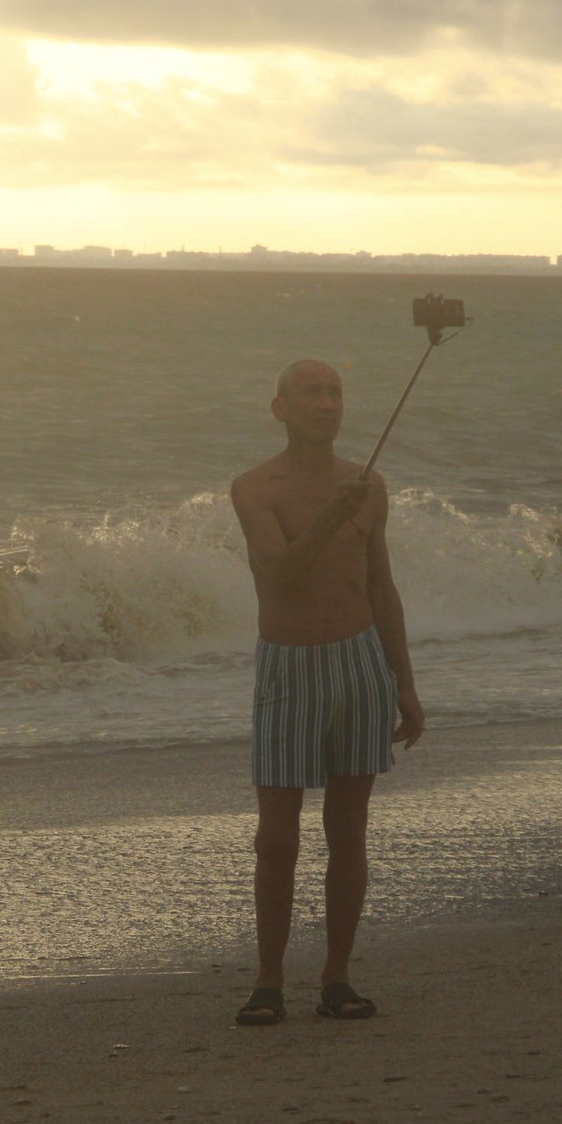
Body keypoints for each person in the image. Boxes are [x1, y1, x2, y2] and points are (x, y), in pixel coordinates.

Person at [227, 358, 424, 1026]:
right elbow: (280, 573)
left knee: (348, 830)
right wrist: (328, 520)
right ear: (280, 408)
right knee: (276, 839)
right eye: (311, 393)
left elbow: (381, 586)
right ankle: (267, 983)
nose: (326, 403)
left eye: (334, 392)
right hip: (289, 667)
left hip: (360, 662)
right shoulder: (255, 487)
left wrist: (404, 681)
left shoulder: (367, 486)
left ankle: (337, 978)